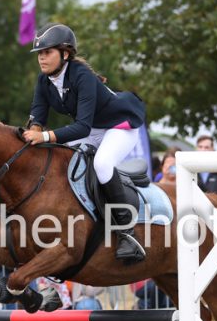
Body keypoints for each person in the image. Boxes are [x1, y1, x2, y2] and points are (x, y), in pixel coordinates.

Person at [23, 23, 146, 263]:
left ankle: (127, 234)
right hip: (93, 129)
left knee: (102, 164)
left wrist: (44, 137)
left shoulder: (82, 76)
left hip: (118, 127)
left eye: (47, 52)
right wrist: (33, 132)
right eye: (39, 53)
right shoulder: (44, 81)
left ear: (65, 54)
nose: (42, 58)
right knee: (60, 160)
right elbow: (37, 115)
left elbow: (82, 127)